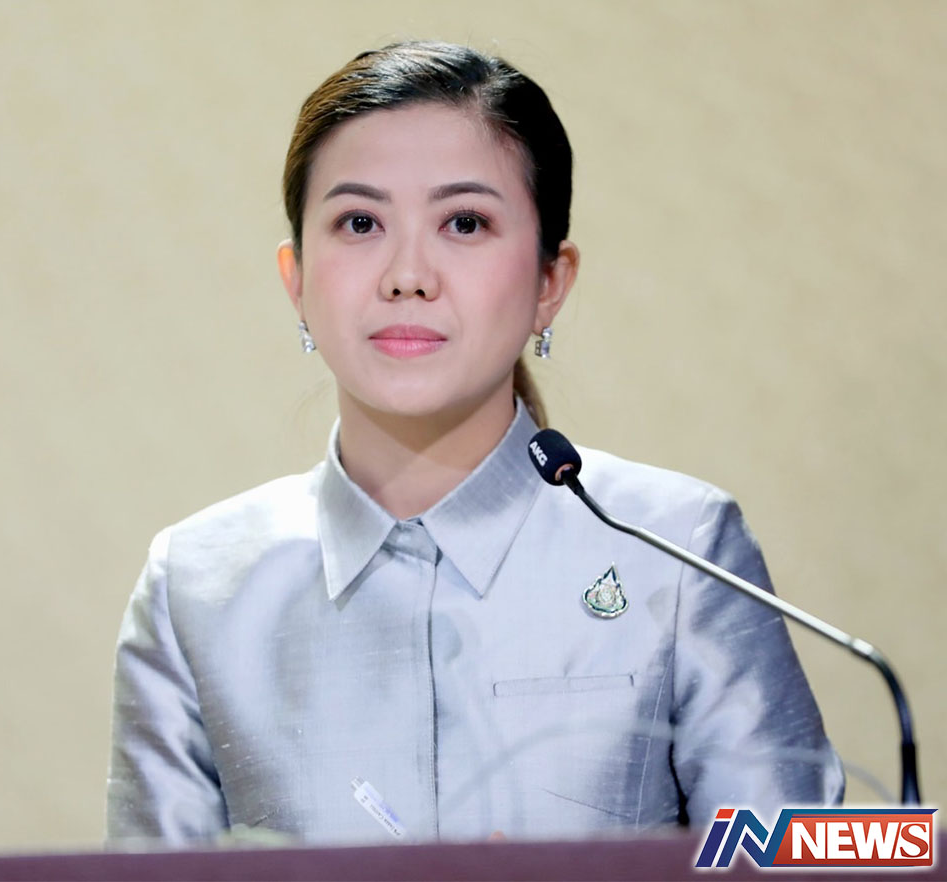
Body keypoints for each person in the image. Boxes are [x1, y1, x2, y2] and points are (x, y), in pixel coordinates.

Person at [106, 40, 843, 845]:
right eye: (360, 222)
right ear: (297, 281)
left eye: (465, 222)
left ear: (550, 283)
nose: (408, 275)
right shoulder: (197, 588)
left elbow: (805, 857)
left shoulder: (677, 550)